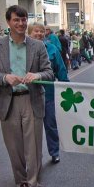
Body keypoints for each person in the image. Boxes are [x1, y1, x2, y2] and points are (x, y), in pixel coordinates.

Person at [0, 5, 54, 187]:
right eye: (16, 20)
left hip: (31, 100)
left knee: (33, 147)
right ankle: (22, 182)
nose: (21, 24)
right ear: (8, 22)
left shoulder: (37, 46)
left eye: (23, 20)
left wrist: (37, 75)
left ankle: (34, 185)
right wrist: (5, 78)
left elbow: (49, 72)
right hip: (8, 101)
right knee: (14, 147)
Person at [28, 22, 69, 164]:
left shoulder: (51, 49)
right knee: (31, 129)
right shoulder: (24, 50)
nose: (39, 33)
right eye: (35, 31)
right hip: (29, 96)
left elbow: (61, 70)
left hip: (49, 95)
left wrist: (66, 88)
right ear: (29, 33)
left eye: (41, 31)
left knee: (51, 125)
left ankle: (54, 152)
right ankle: (34, 157)